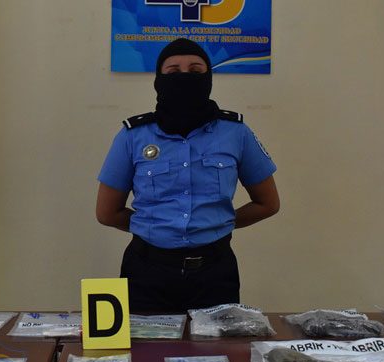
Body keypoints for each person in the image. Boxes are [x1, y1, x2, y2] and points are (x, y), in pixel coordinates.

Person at [96, 38, 279, 313]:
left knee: (215, 343)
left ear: (209, 78)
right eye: (173, 71)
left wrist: (217, 223)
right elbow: (106, 212)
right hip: (147, 273)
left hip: (215, 274)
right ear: (159, 80)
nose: (185, 77)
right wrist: (154, 227)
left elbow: (268, 203)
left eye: (195, 71)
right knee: (145, 343)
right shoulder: (133, 136)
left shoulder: (236, 133)